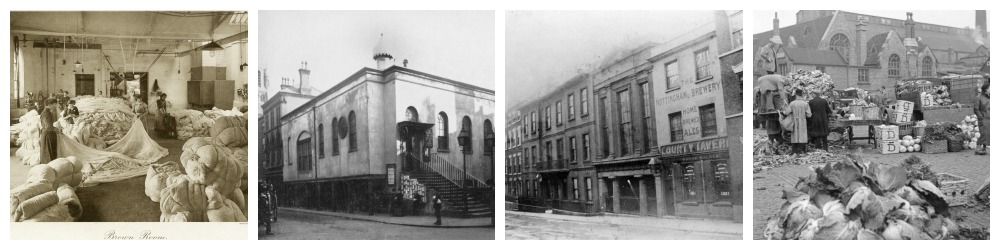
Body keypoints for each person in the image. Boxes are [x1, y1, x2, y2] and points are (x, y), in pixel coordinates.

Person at [783, 89, 812, 154]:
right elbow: (809, 115)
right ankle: (802, 151)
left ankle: (794, 151)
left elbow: (786, 113)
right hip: (803, 121)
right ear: (802, 94)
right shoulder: (805, 104)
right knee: (803, 136)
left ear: (796, 94)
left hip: (794, 121)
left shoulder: (792, 103)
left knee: (795, 136)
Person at [38, 98, 60, 163]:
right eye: (54, 104)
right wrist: (55, 129)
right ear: (50, 104)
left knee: (50, 151)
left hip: (48, 132)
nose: (55, 106)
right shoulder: (46, 113)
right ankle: (49, 165)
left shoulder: (48, 112)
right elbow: (48, 126)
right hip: (48, 134)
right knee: (48, 151)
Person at [974, 81, 990, 155]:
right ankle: (978, 148)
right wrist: (981, 117)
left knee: (987, 134)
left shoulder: (989, 97)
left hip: (989, 117)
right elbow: (976, 109)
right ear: (986, 89)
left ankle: (983, 148)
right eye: (990, 88)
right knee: (983, 133)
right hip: (983, 118)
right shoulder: (978, 98)